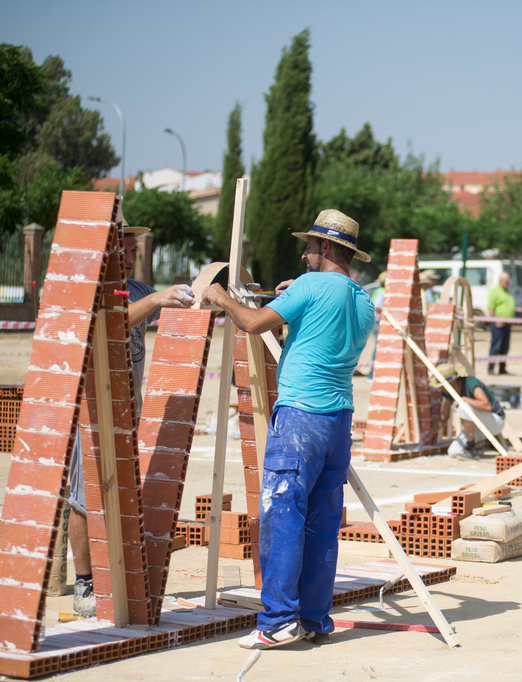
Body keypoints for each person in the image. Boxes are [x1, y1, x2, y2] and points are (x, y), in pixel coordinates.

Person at [202, 208, 375, 649]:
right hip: (337, 422)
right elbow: (322, 319)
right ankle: (314, 618)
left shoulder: (312, 286)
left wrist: (221, 297)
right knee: (322, 523)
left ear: (329, 248)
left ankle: (278, 620)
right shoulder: (362, 299)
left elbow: (254, 322)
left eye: (311, 247)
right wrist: (293, 296)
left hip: (301, 416)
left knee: (283, 515)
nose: (303, 254)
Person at [68, 221, 195, 617]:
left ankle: (114, 576)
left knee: (121, 493)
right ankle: (84, 584)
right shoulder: (90, 291)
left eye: (131, 251)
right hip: (92, 411)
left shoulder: (139, 290)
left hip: (127, 412)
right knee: (83, 497)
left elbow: (161, 307)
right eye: (120, 250)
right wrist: (158, 297)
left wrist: (203, 294)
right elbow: (114, 322)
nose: (127, 257)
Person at [431, 362, 505, 461]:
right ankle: (487, 444)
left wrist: (464, 399)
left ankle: (471, 447)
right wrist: (429, 435)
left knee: (464, 407)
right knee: (454, 452)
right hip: (476, 427)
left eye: (441, 385)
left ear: (451, 383)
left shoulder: (470, 383)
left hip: (494, 421)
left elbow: (487, 406)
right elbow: (444, 416)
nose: (440, 388)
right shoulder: (448, 393)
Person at [487, 271, 515, 375]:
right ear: (501, 281)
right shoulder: (495, 291)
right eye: (506, 281)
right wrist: (496, 320)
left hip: (507, 324)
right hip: (498, 325)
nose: (508, 283)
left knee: (505, 348)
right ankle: (491, 369)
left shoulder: (507, 292)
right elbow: (490, 307)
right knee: (496, 347)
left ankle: (502, 368)